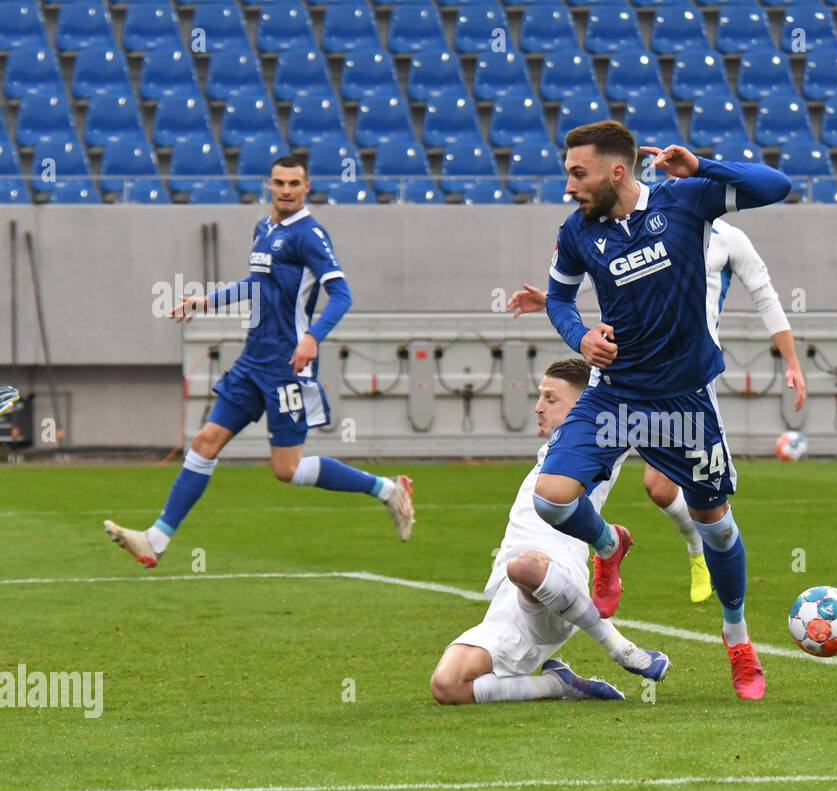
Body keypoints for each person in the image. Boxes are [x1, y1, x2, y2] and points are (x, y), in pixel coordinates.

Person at [532, 120, 791, 700]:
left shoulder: (683, 200)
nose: (570, 185)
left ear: (616, 171)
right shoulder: (576, 233)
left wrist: (703, 166)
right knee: (550, 498)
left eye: (579, 173)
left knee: (717, 529)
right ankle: (608, 544)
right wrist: (580, 337)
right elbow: (557, 297)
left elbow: (777, 184)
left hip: (684, 400)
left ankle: (737, 637)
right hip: (616, 395)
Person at [104, 157, 413, 568]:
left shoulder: (310, 235)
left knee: (286, 470)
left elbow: (341, 295)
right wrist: (206, 300)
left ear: (307, 187)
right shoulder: (264, 229)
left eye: (294, 183)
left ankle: (388, 490)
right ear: (268, 184)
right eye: (279, 182)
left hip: (287, 366)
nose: (286, 190)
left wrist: (311, 337)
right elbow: (256, 284)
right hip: (252, 361)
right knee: (204, 443)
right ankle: (155, 540)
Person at [507, 217, 806, 605]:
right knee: (567, 485)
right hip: (624, 379)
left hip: (686, 382)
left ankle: (697, 552)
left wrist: (793, 362)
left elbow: (765, 296)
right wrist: (550, 302)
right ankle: (605, 547)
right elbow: (606, 282)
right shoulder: (647, 229)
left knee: (661, 487)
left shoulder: (729, 238)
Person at [430, 358, 670, 705]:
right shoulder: (555, 454)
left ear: (585, 405)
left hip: (552, 575)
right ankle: (558, 685)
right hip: (510, 603)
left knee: (522, 566)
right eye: (539, 397)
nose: (538, 408)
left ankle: (622, 649)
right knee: (447, 686)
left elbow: (639, 403)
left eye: (550, 399)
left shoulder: (600, 441)